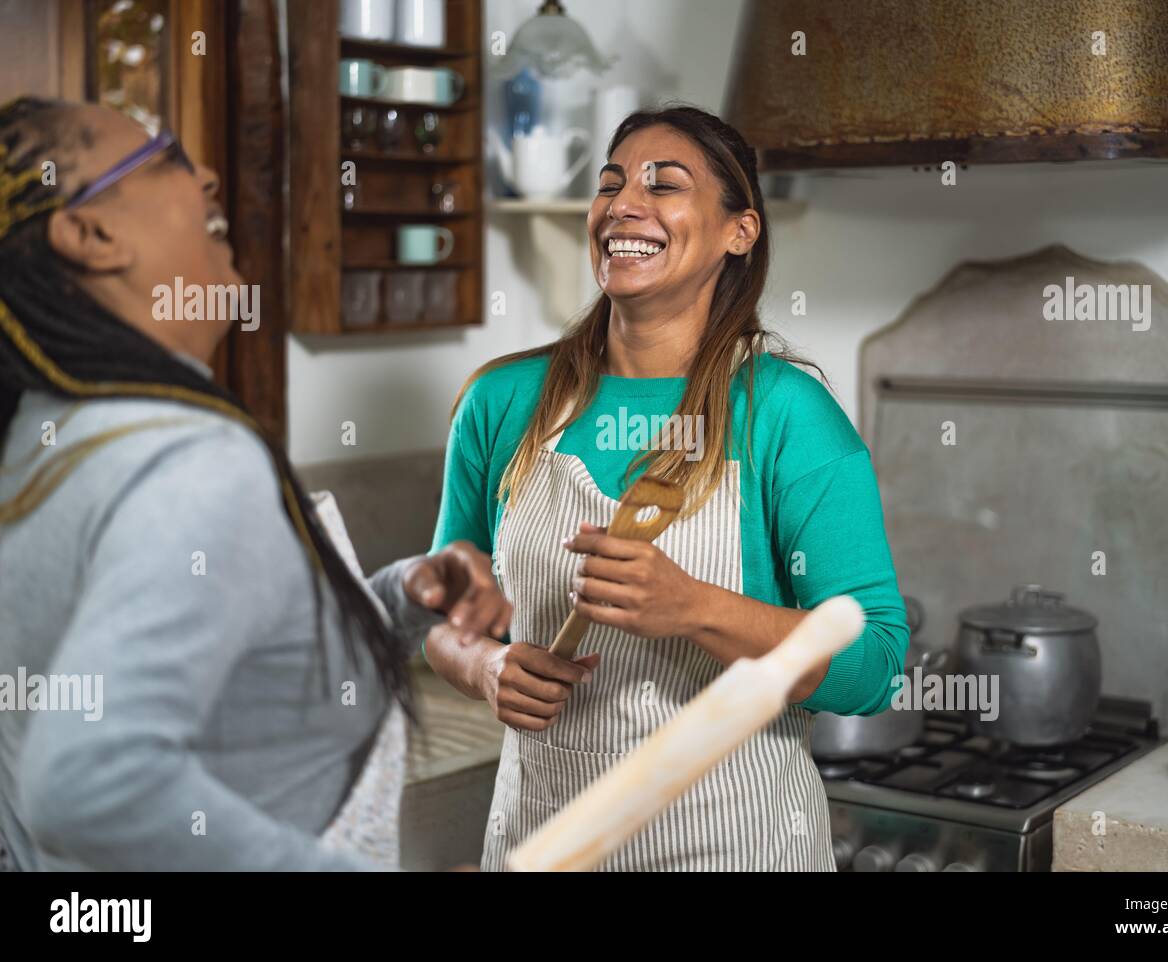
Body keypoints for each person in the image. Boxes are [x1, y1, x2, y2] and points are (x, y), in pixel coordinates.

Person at [0, 97, 510, 871]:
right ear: (91, 234)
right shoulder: (190, 459)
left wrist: (401, 598)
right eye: (166, 157)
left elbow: (242, 679)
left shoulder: (47, 438)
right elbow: (85, 781)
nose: (207, 177)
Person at [423, 104, 910, 871]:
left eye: (664, 185)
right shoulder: (502, 402)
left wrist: (696, 608)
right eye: (611, 184)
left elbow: (875, 663)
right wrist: (485, 667)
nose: (622, 205)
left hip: (731, 843)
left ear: (738, 231)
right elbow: (448, 617)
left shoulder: (785, 413)